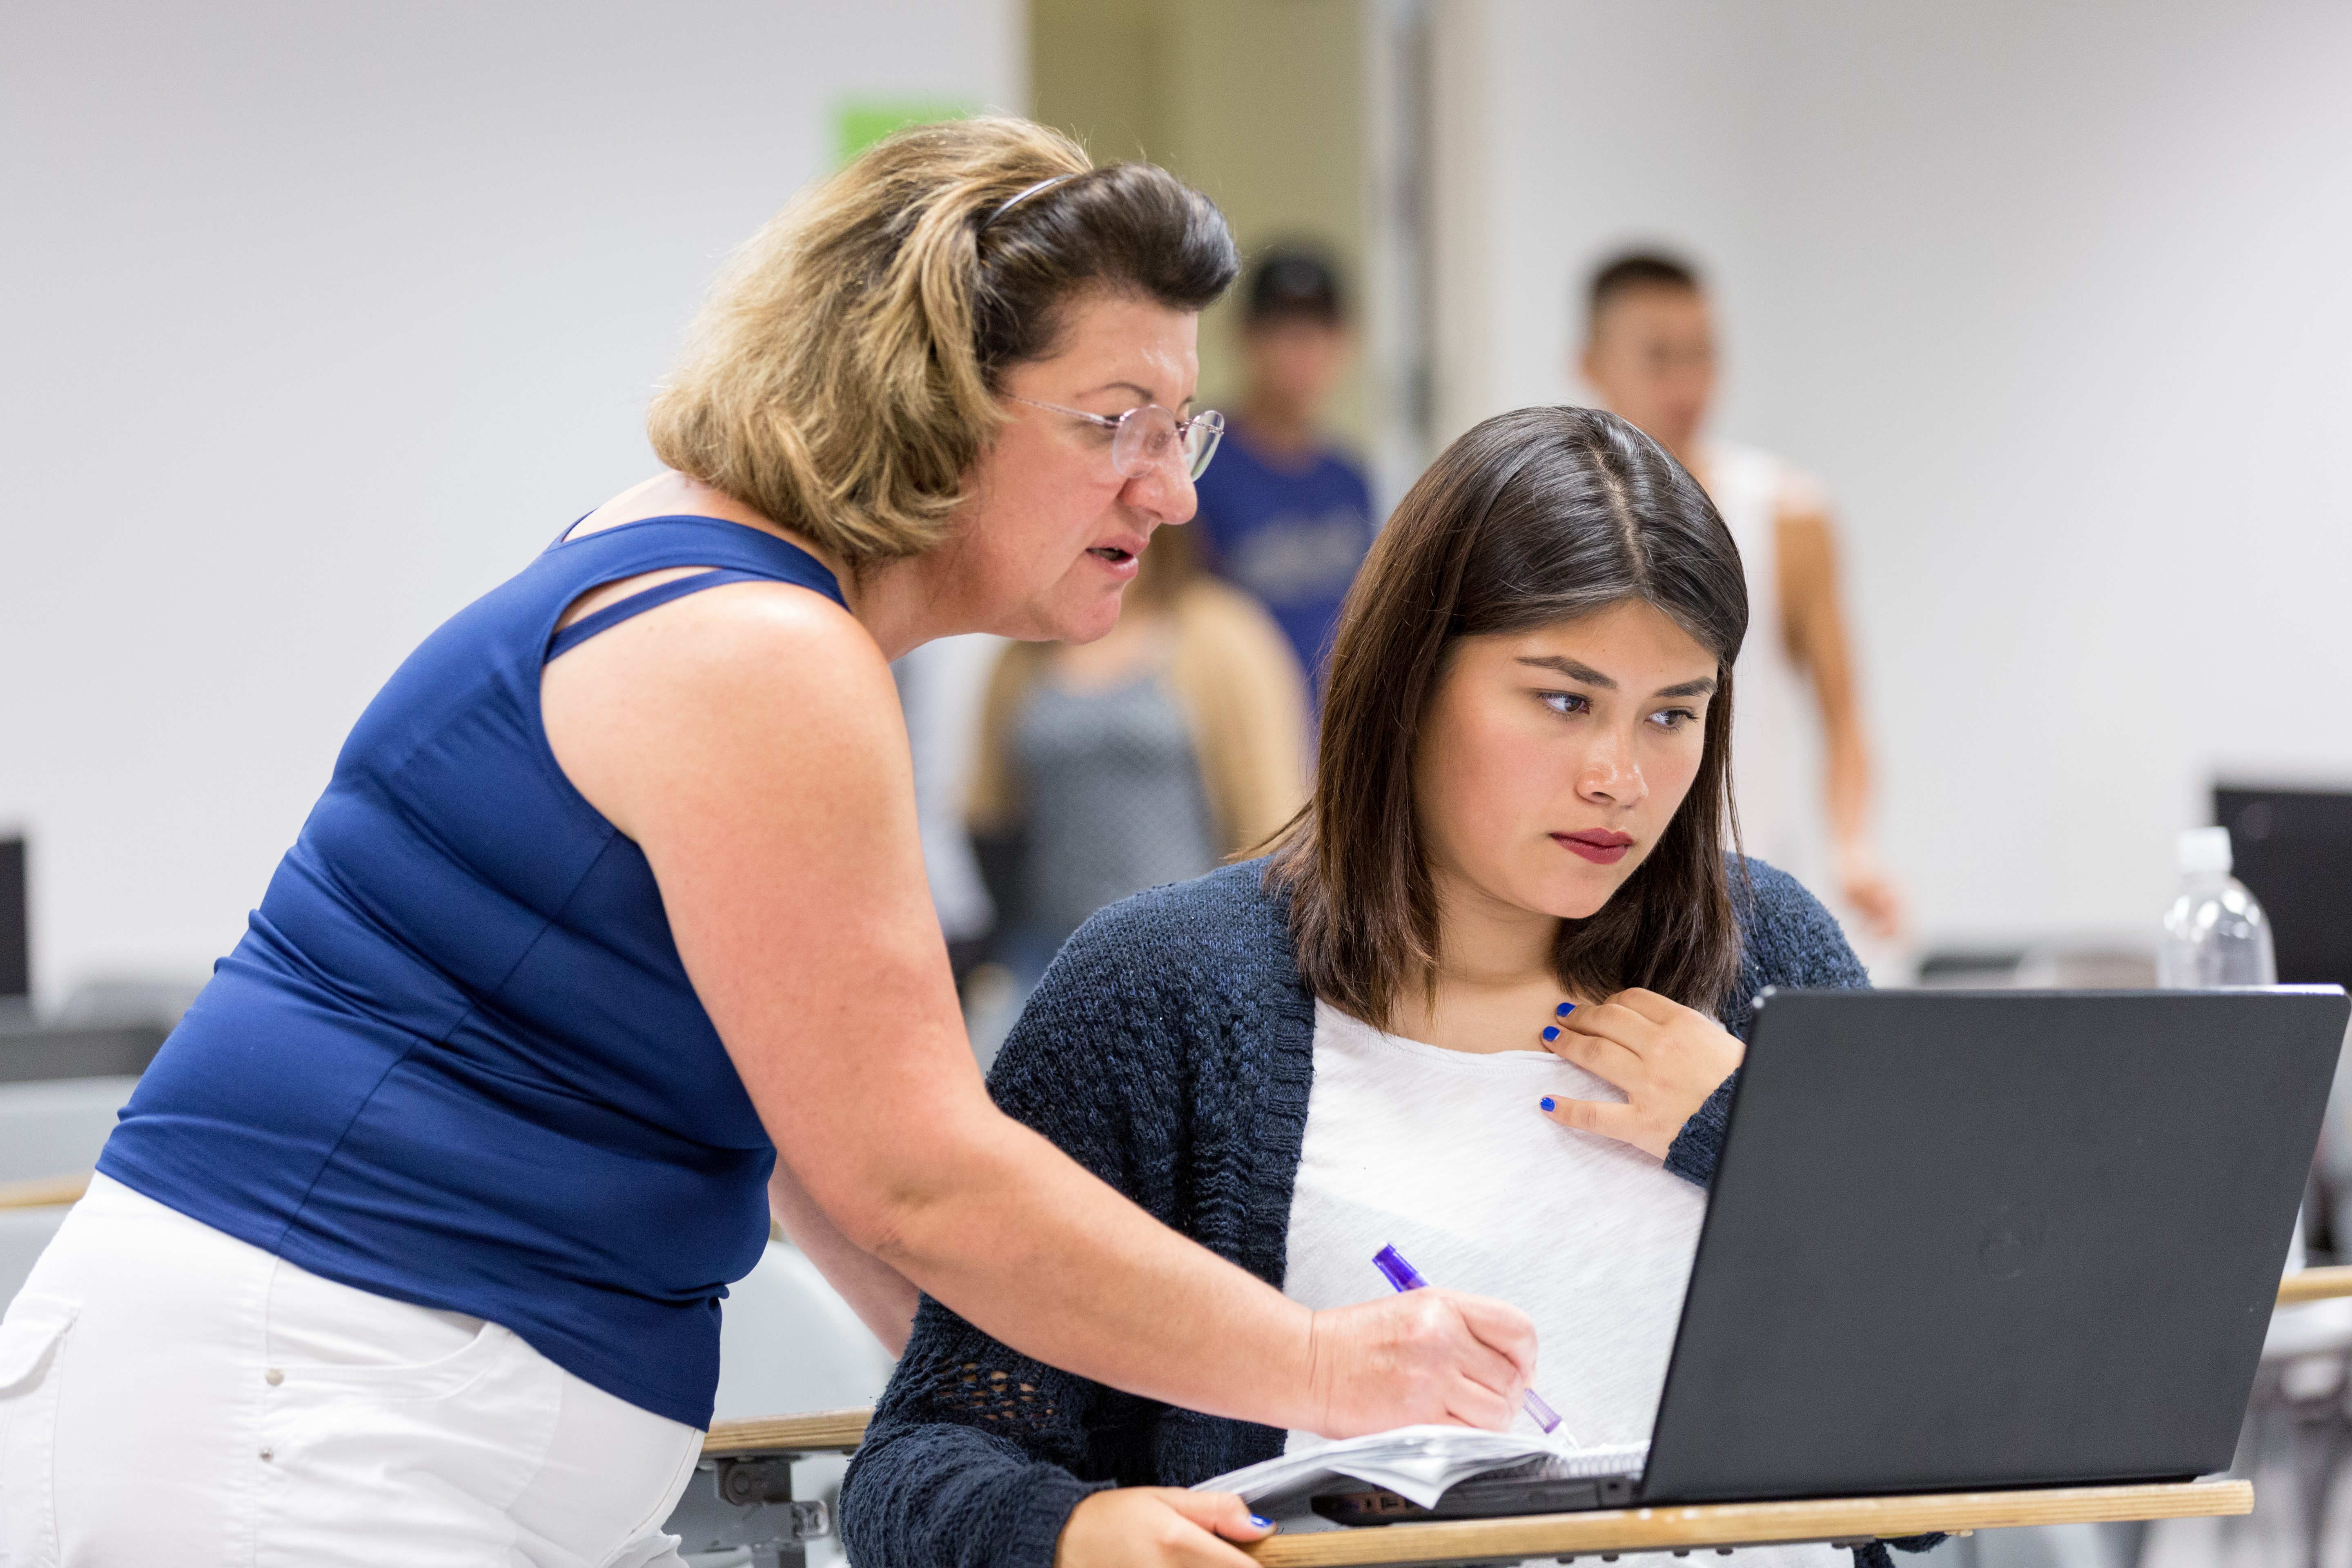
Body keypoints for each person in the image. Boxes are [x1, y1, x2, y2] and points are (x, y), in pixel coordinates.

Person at [0, 119, 1539, 1561]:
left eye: (1178, 425)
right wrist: (1320, 1365)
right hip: (292, 1414)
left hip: (322, 1417)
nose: (1168, 491)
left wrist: (1063, 1447)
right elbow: (913, 1180)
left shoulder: (741, 601)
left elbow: (824, 1146)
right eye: (1113, 423)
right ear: (929, 398)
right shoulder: (759, 650)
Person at [841, 407, 1913, 1568]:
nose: (1621, 778)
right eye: (1564, 701)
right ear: (1411, 680)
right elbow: (923, 1461)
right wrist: (1075, 1533)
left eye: (1674, 715)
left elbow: (1943, 1440)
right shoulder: (1165, 995)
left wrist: (1751, 1135)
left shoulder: (1772, 960)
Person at [1577, 252, 1903, 939]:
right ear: (1593, 364)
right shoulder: (1557, 524)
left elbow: (1844, 717)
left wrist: (1854, 849)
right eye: (1658, 356)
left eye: (1703, 354)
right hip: (1597, 889)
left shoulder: (1788, 517)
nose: (1687, 382)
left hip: (1741, 893)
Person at [967, 525, 1307, 1009]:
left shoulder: (1219, 631)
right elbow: (989, 812)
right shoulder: (1027, 645)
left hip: (1192, 957)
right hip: (1051, 955)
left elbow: (1273, 821)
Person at [1189, 247, 1377, 697]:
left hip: (1331, 732)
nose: (1300, 351)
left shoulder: (1350, 479)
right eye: (1283, 332)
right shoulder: (1198, 460)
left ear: (1343, 342)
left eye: (1316, 332)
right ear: (1244, 337)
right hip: (1234, 725)